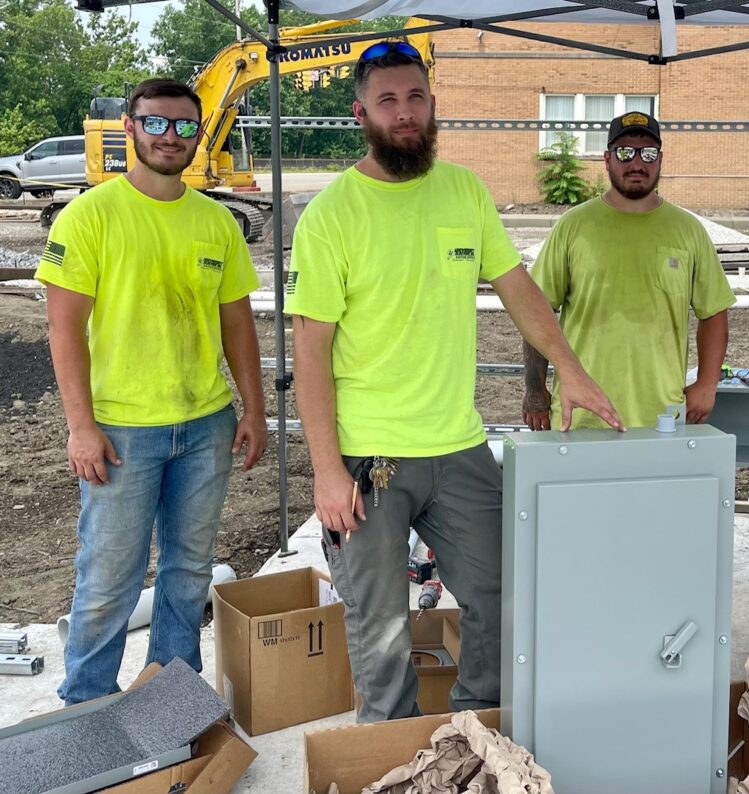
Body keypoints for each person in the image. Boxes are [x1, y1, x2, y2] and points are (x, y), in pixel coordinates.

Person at [284, 41, 622, 723]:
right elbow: (311, 352)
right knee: (380, 627)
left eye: (415, 98)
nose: (404, 113)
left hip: (458, 447)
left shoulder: (463, 190)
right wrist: (324, 470)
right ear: (361, 114)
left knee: (503, 595)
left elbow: (518, 287)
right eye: (388, 101)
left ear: (433, 107)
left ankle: (475, 729)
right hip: (368, 457)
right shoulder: (332, 215)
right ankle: (393, 746)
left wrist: (572, 372)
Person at [35, 78, 266, 704]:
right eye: (156, 123)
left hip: (205, 425)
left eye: (185, 126)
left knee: (189, 576)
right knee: (109, 579)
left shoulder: (215, 221)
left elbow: (237, 320)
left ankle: (174, 706)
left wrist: (255, 409)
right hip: (119, 433)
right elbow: (64, 329)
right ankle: (88, 709)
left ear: (197, 135)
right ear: (130, 128)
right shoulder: (90, 216)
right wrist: (80, 426)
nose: (171, 136)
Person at [522, 111, 734, 430]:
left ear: (660, 159)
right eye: (625, 152)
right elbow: (536, 309)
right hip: (581, 416)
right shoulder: (574, 226)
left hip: (662, 417)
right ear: (607, 159)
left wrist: (707, 384)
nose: (637, 163)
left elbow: (714, 312)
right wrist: (535, 391)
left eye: (647, 153)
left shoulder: (687, 230)